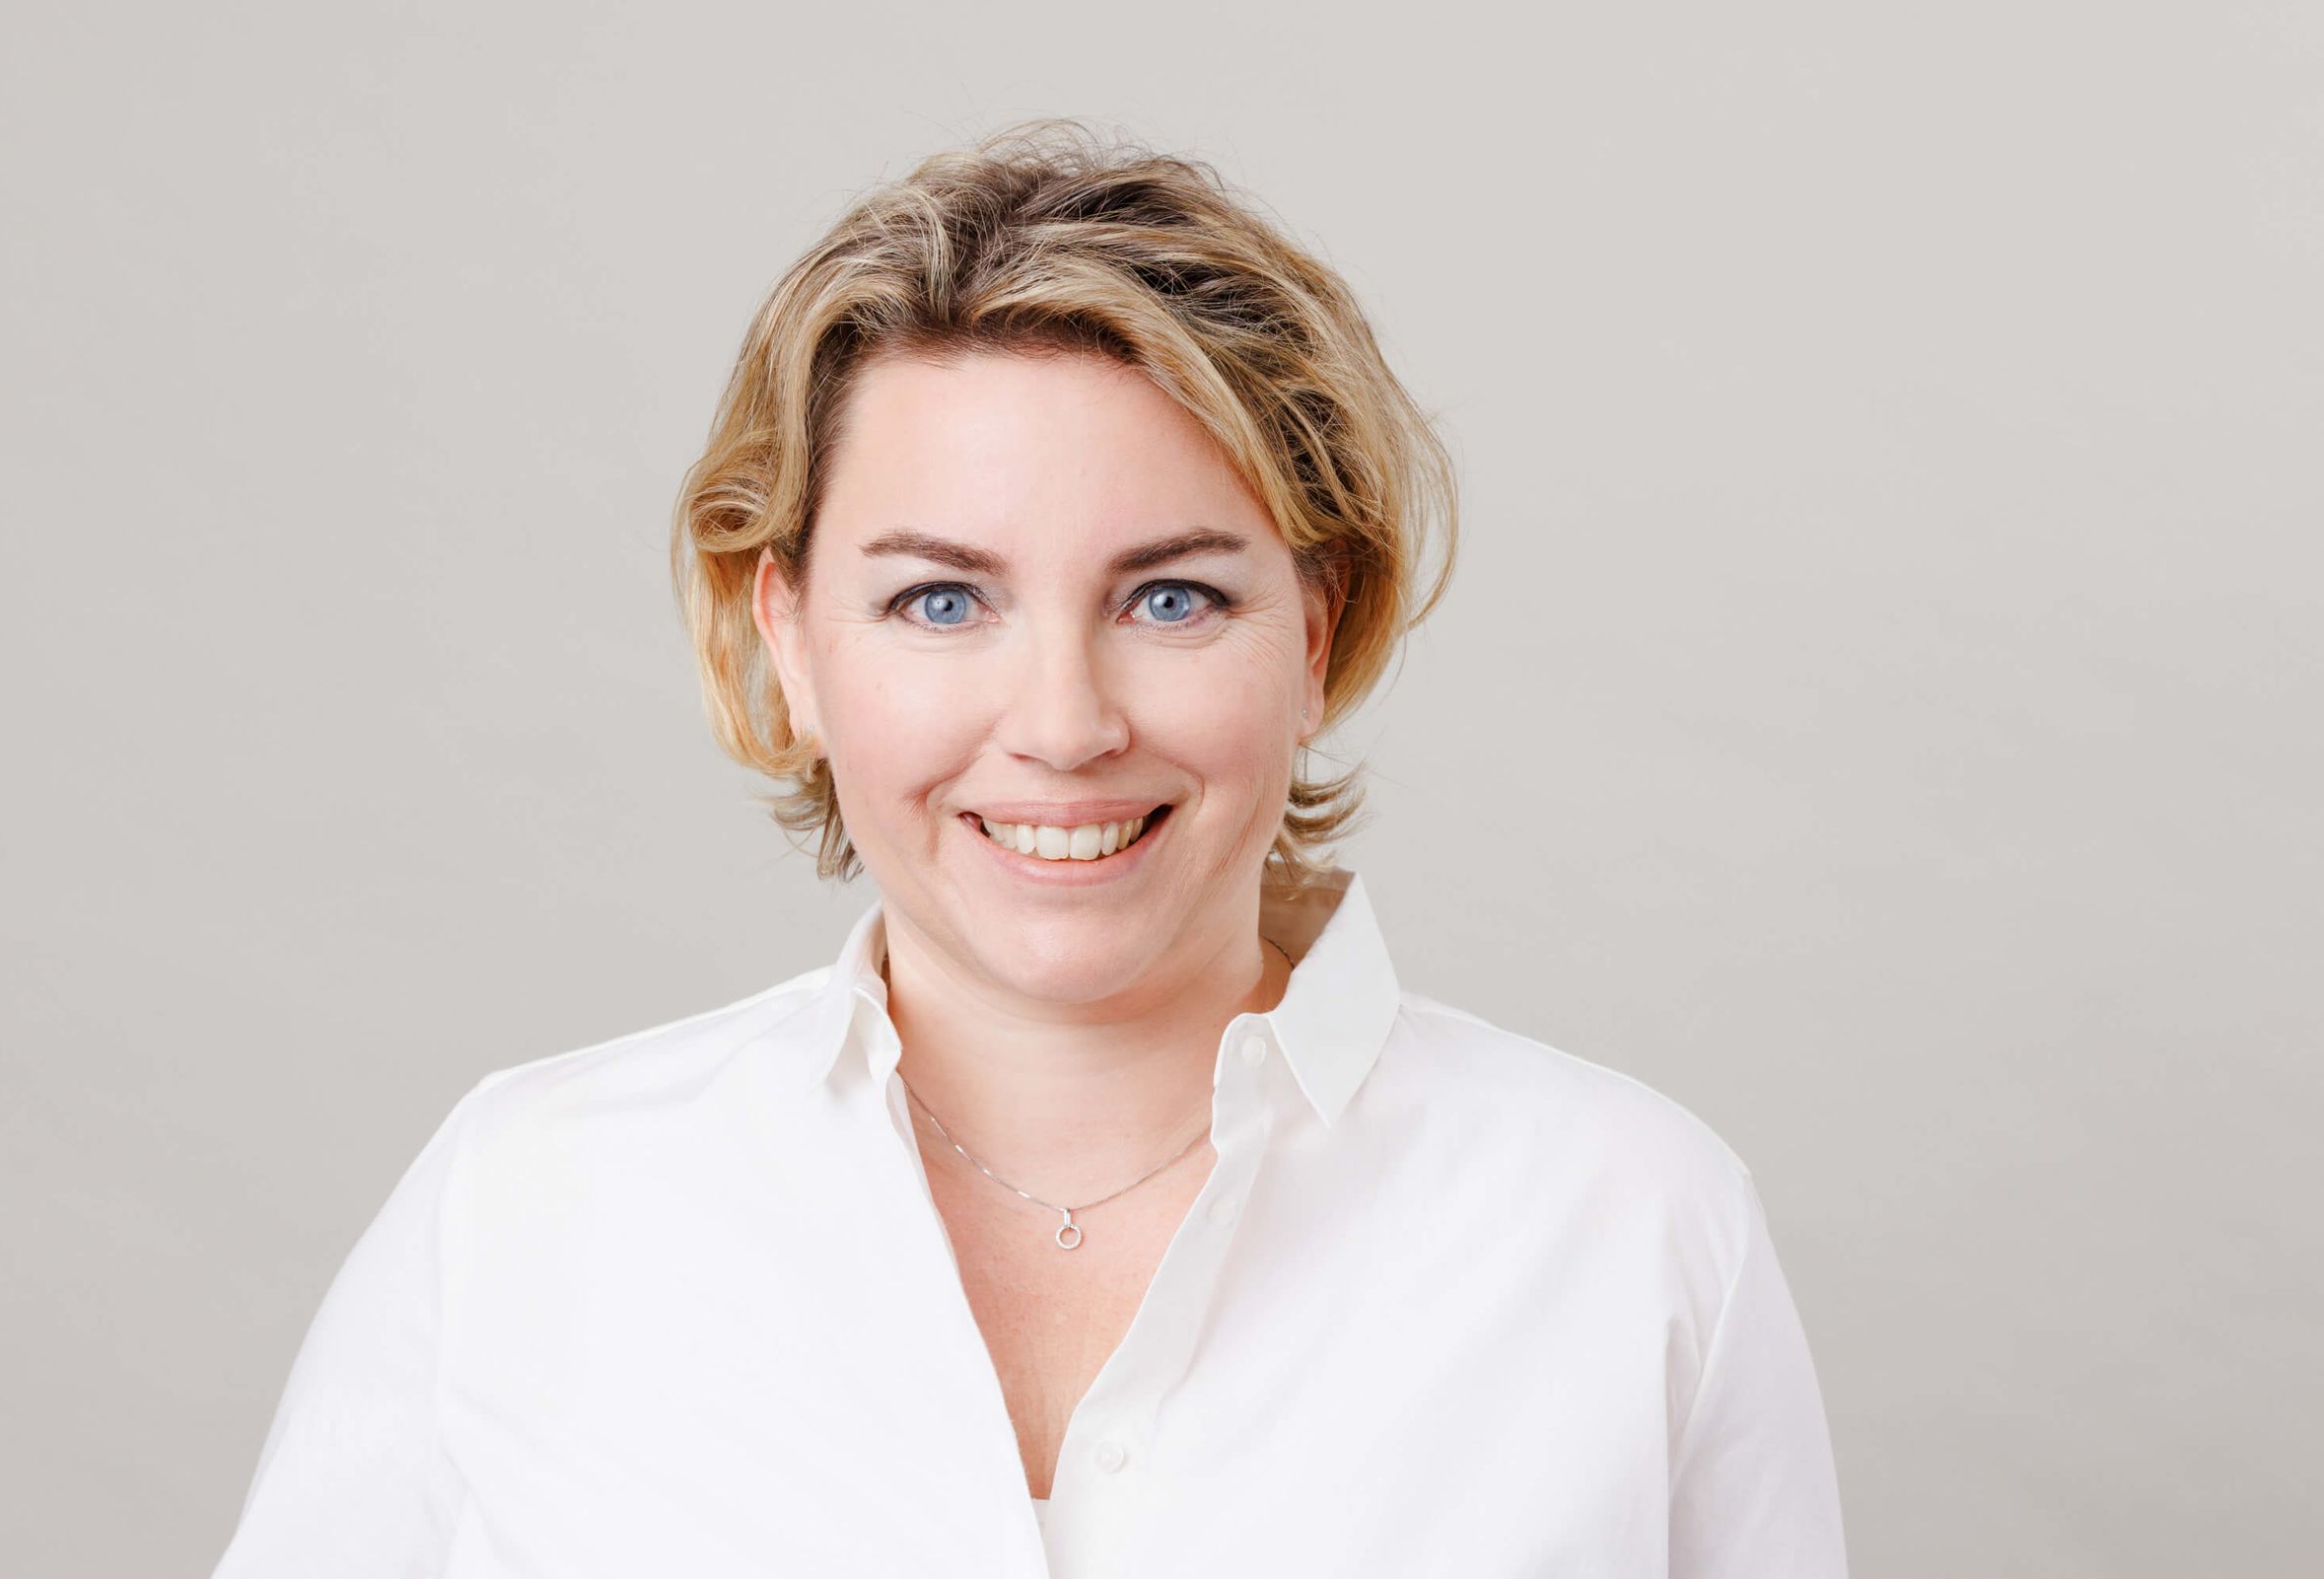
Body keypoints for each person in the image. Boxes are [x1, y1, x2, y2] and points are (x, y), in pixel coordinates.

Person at [211, 119, 1849, 1578]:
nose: (1064, 724)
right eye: (942, 600)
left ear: (1312, 630)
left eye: (1172, 596)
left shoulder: (1634, 1233)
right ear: (789, 638)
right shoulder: (526, 1210)